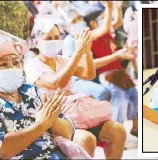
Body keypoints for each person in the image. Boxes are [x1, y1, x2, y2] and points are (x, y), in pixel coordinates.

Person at [0, 28, 85, 159]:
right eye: (3, 64)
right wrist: (40, 125)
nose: (12, 68)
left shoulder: (32, 92)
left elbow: (68, 132)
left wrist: (52, 120)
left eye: (16, 62)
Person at [25, 16, 127, 158]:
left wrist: (87, 52)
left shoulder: (62, 60)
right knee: (86, 139)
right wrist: (78, 53)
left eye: (56, 37)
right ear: (36, 42)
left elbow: (88, 74)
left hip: (77, 115)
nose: (54, 41)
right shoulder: (32, 65)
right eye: (48, 38)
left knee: (118, 130)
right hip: (55, 121)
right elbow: (57, 83)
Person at [84, 1, 138, 136]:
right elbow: (107, 26)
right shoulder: (90, 35)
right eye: (101, 17)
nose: (104, 19)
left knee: (134, 95)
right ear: (92, 23)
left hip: (120, 72)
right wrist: (108, 6)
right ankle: (116, 133)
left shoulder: (106, 32)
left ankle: (136, 128)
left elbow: (117, 22)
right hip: (107, 74)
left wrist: (118, 8)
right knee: (118, 101)